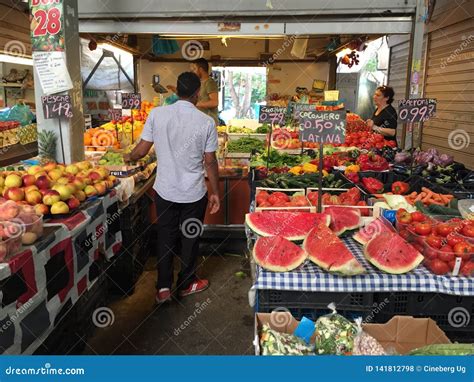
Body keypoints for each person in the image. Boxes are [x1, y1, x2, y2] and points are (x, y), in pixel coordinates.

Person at [124, 72, 220, 303]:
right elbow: (210, 161)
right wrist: (215, 192)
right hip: (194, 193)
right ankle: (186, 284)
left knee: (165, 237)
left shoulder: (157, 114)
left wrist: (127, 157)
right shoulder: (206, 122)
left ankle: (163, 289)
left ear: (176, 91)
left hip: (165, 191)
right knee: (190, 237)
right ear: (198, 93)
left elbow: (141, 150)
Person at [168, 58, 219, 124]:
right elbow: (188, 97)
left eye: (194, 69)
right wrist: (177, 91)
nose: (192, 71)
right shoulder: (198, 83)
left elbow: (214, 102)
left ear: (200, 69)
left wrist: (196, 104)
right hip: (199, 120)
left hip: (209, 122)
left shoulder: (210, 82)